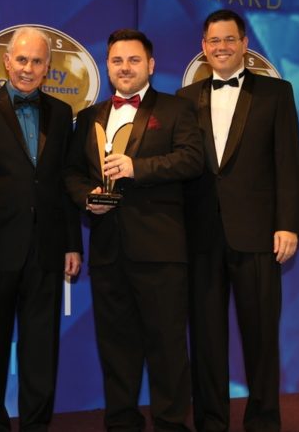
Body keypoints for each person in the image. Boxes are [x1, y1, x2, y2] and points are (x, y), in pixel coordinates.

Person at [65, 29, 204, 432]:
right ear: (107, 66)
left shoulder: (177, 110)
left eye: (133, 60)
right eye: (117, 61)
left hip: (161, 251)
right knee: (116, 350)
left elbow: (192, 160)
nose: (125, 68)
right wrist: (84, 196)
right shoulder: (90, 117)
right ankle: (122, 423)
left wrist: (136, 167)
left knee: (168, 348)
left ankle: (171, 424)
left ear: (151, 65)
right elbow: (72, 172)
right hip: (109, 252)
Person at [176, 9, 299, 432]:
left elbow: (288, 164)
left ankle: (264, 420)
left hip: (258, 235)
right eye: (214, 41)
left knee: (261, 336)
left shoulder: (276, 93)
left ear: (245, 44)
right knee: (207, 339)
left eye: (230, 39)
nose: (222, 47)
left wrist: (288, 224)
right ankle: (211, 421)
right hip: (201, 236)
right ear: (203, 47)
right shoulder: (185, 99)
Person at [0, 26, 83, 432]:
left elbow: (63, 181)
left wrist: (73, 244)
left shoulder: (62, 113)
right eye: (21, 59)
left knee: (41, 349)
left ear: (48, 67)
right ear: (7, 61)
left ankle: (36, 425)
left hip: (47, 248)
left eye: (37, 61)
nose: (28, 68)